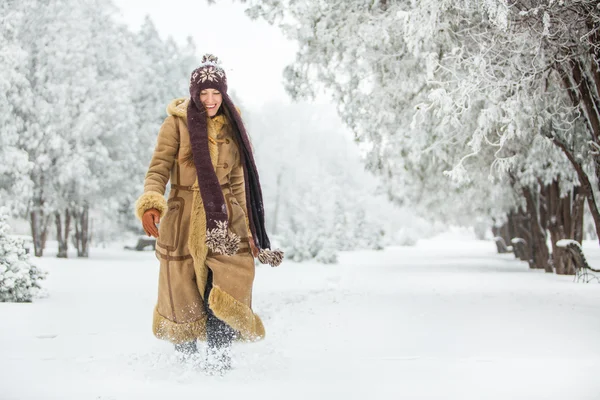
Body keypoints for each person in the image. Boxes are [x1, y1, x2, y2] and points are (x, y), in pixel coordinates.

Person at [134, 54, 283, 372]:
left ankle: (219, 362)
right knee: (183, 290)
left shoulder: (234, 127)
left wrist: (252, 229)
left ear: (224, 93)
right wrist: (150, 201)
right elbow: (158, 167)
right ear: (194, 94)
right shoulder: (177, 123)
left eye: (216, 93)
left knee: (225, 285)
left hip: (226, 220)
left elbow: (239, 182)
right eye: (204, 93)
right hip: (184, 217)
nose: (210, 99)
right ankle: (185, 368)